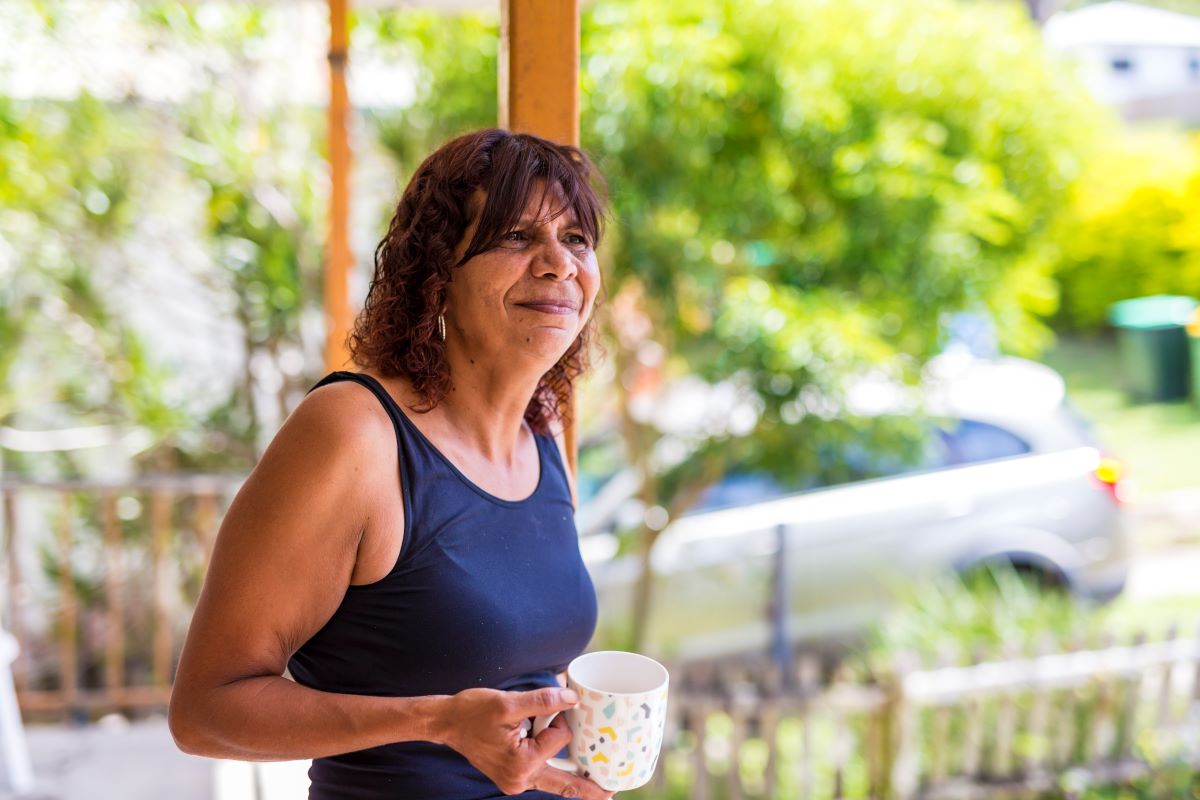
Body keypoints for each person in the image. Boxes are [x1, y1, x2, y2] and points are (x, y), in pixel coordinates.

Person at [169, 129, 613, 800]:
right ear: (438, 275)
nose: (558, 263)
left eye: (576, 238)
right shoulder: (354, 434)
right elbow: (204, 712)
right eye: (518, 237)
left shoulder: (543, 437)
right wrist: (436, 721)